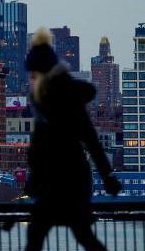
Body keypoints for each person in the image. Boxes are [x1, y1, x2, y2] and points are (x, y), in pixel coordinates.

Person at [23, 28, 122, 251]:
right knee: (75, 235)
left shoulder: (64, 101)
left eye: (33, 76)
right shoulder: (44, 103)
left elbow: (90, 139)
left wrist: (107, 177)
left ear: (43, 74)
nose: (30, 81)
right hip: (59, 182)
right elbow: (39, 148)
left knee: (46, 234)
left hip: (69, 182)